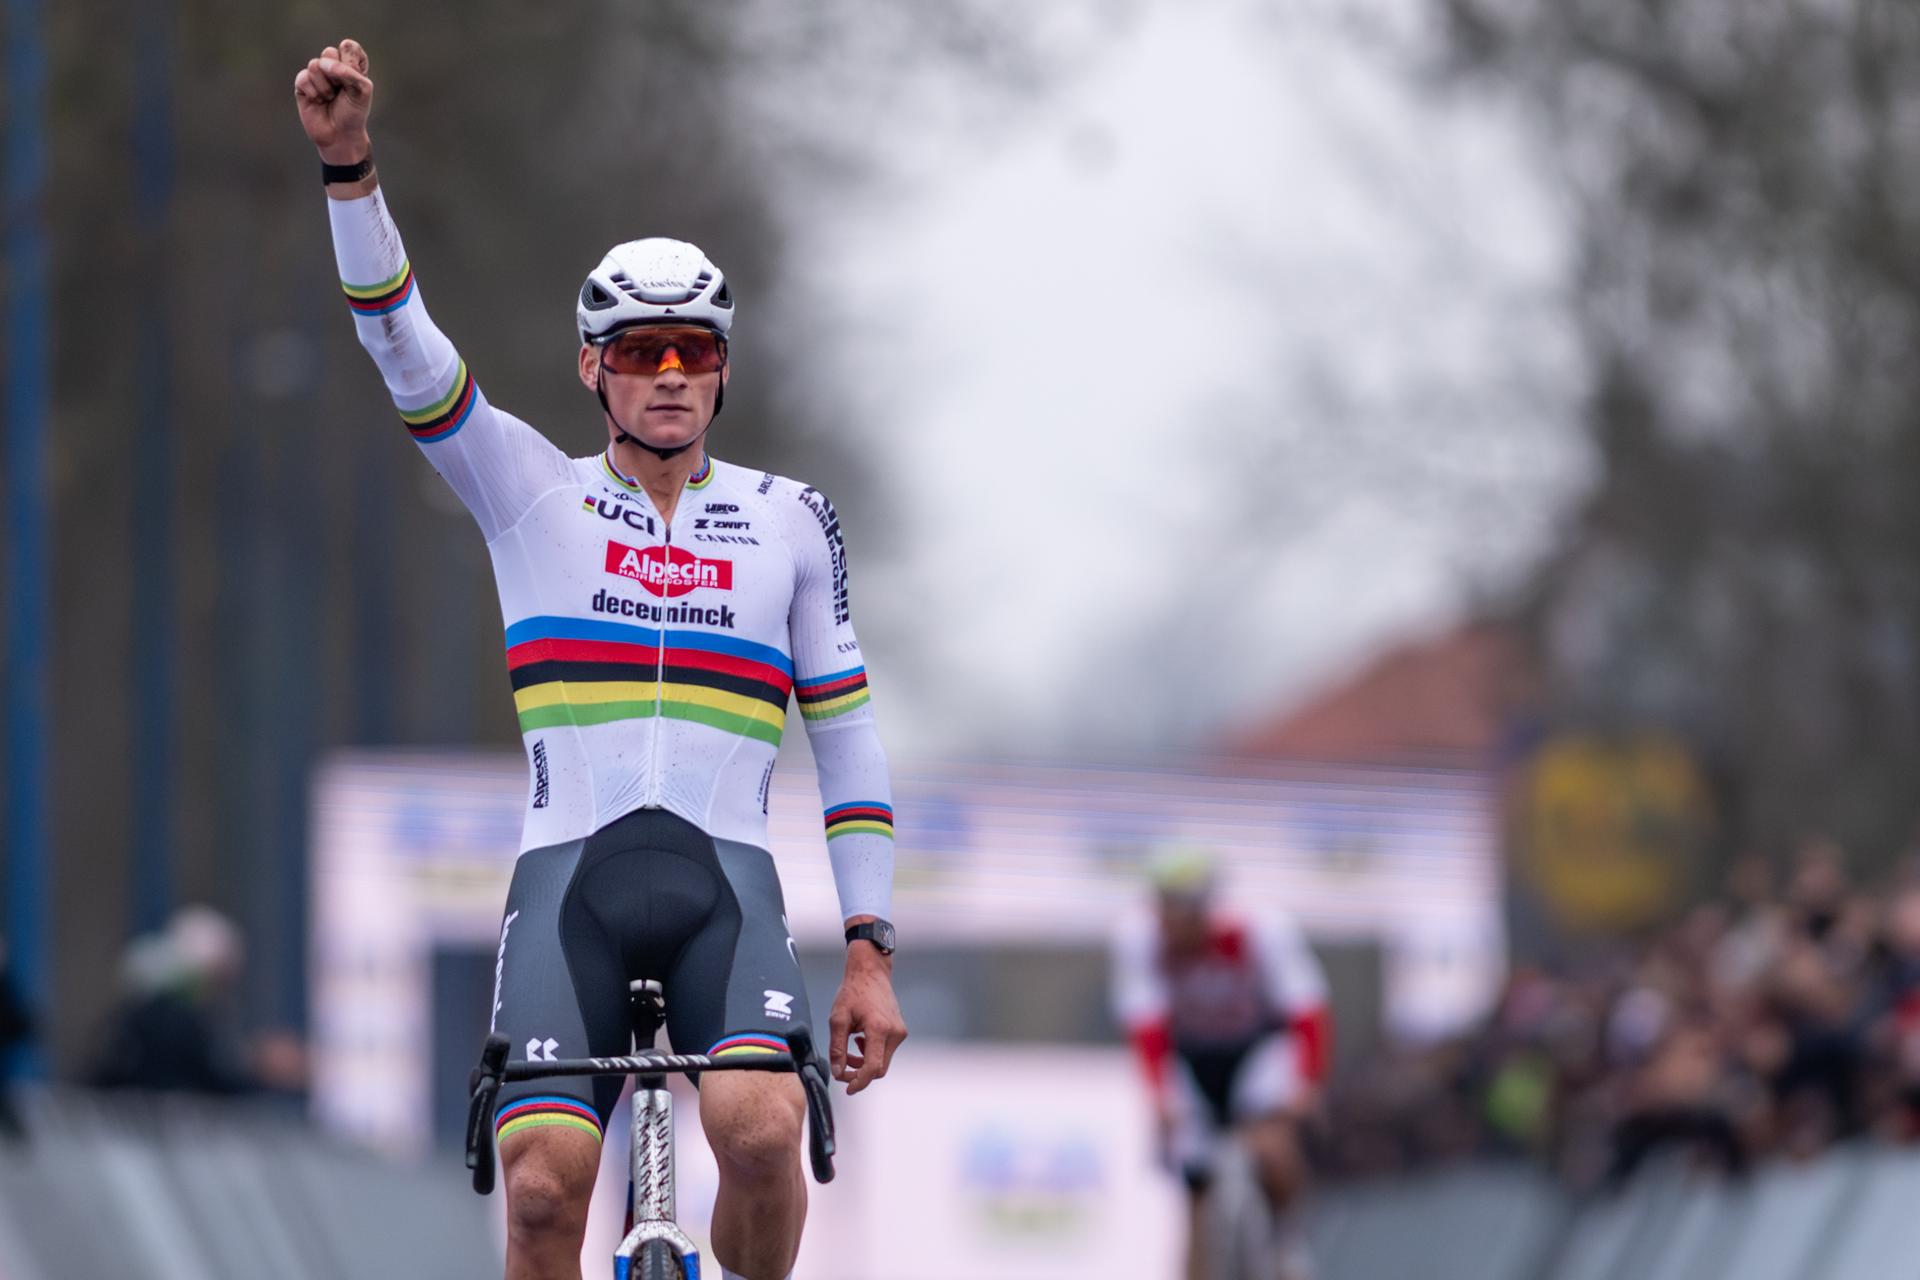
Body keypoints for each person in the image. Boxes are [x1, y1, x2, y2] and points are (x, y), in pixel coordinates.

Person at [294, 40, 906, 1280]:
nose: (670, 372)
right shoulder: (528, 492)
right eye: (639, 350)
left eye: (693, 348)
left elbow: (842, 729)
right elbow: (402, 346)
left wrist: (869, 943)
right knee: (540, 1190)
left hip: (722, 887)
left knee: (758, 1125)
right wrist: (350, 168)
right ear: (592, 367)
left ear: (725, 366)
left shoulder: (793, 516)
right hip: (568, 880)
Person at [1111, 847, 1331, 1280]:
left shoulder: (1262, 931)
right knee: (1195, 1184)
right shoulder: (1139, 940)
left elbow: (1307, 1011)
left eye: (1181, 910)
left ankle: (1288, 1242)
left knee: (1271, 1143)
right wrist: (1158, 1097)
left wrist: (1307, 1083)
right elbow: (1146, 1025)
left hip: (1258, 1047)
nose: (1171, 923)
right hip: (1192, 1055)